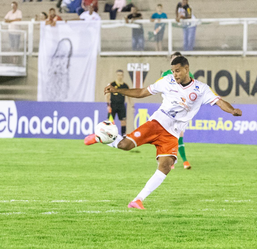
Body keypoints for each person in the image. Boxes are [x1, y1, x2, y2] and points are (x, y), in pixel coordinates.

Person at [84, 56, 242, 209]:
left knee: (166, 166)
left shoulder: (201, 89)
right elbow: (141, 92)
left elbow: (219, 101)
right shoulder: (167, 82)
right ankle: (100, 138)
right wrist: (117, 90)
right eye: (173, 71)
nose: (175, 74)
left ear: (187, 69)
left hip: (172, 134)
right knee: (124, 145)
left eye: (178, 71)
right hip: (157, 124)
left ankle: (138, 200)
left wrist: (233, 110)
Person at [162, 52, 193, 169]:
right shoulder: (165, 74)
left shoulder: (188, 74)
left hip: (181, 111)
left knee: (179, 135)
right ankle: (175, 161)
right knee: (169, 135)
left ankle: (182, 161)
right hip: (168, 110)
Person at [105, 70, 130, 136]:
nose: (120, 76)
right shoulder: (112, 84)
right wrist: (108, 105)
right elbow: (107, 96)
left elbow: (129, 96)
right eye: (118, 75)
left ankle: (123, 135)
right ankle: (108, 134)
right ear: (116, 75)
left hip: (121, 105)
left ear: (123, 76)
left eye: (121, 75)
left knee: (123, 121)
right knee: (109, 120)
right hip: (113, 105)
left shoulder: (125, 86)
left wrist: (132, 105)